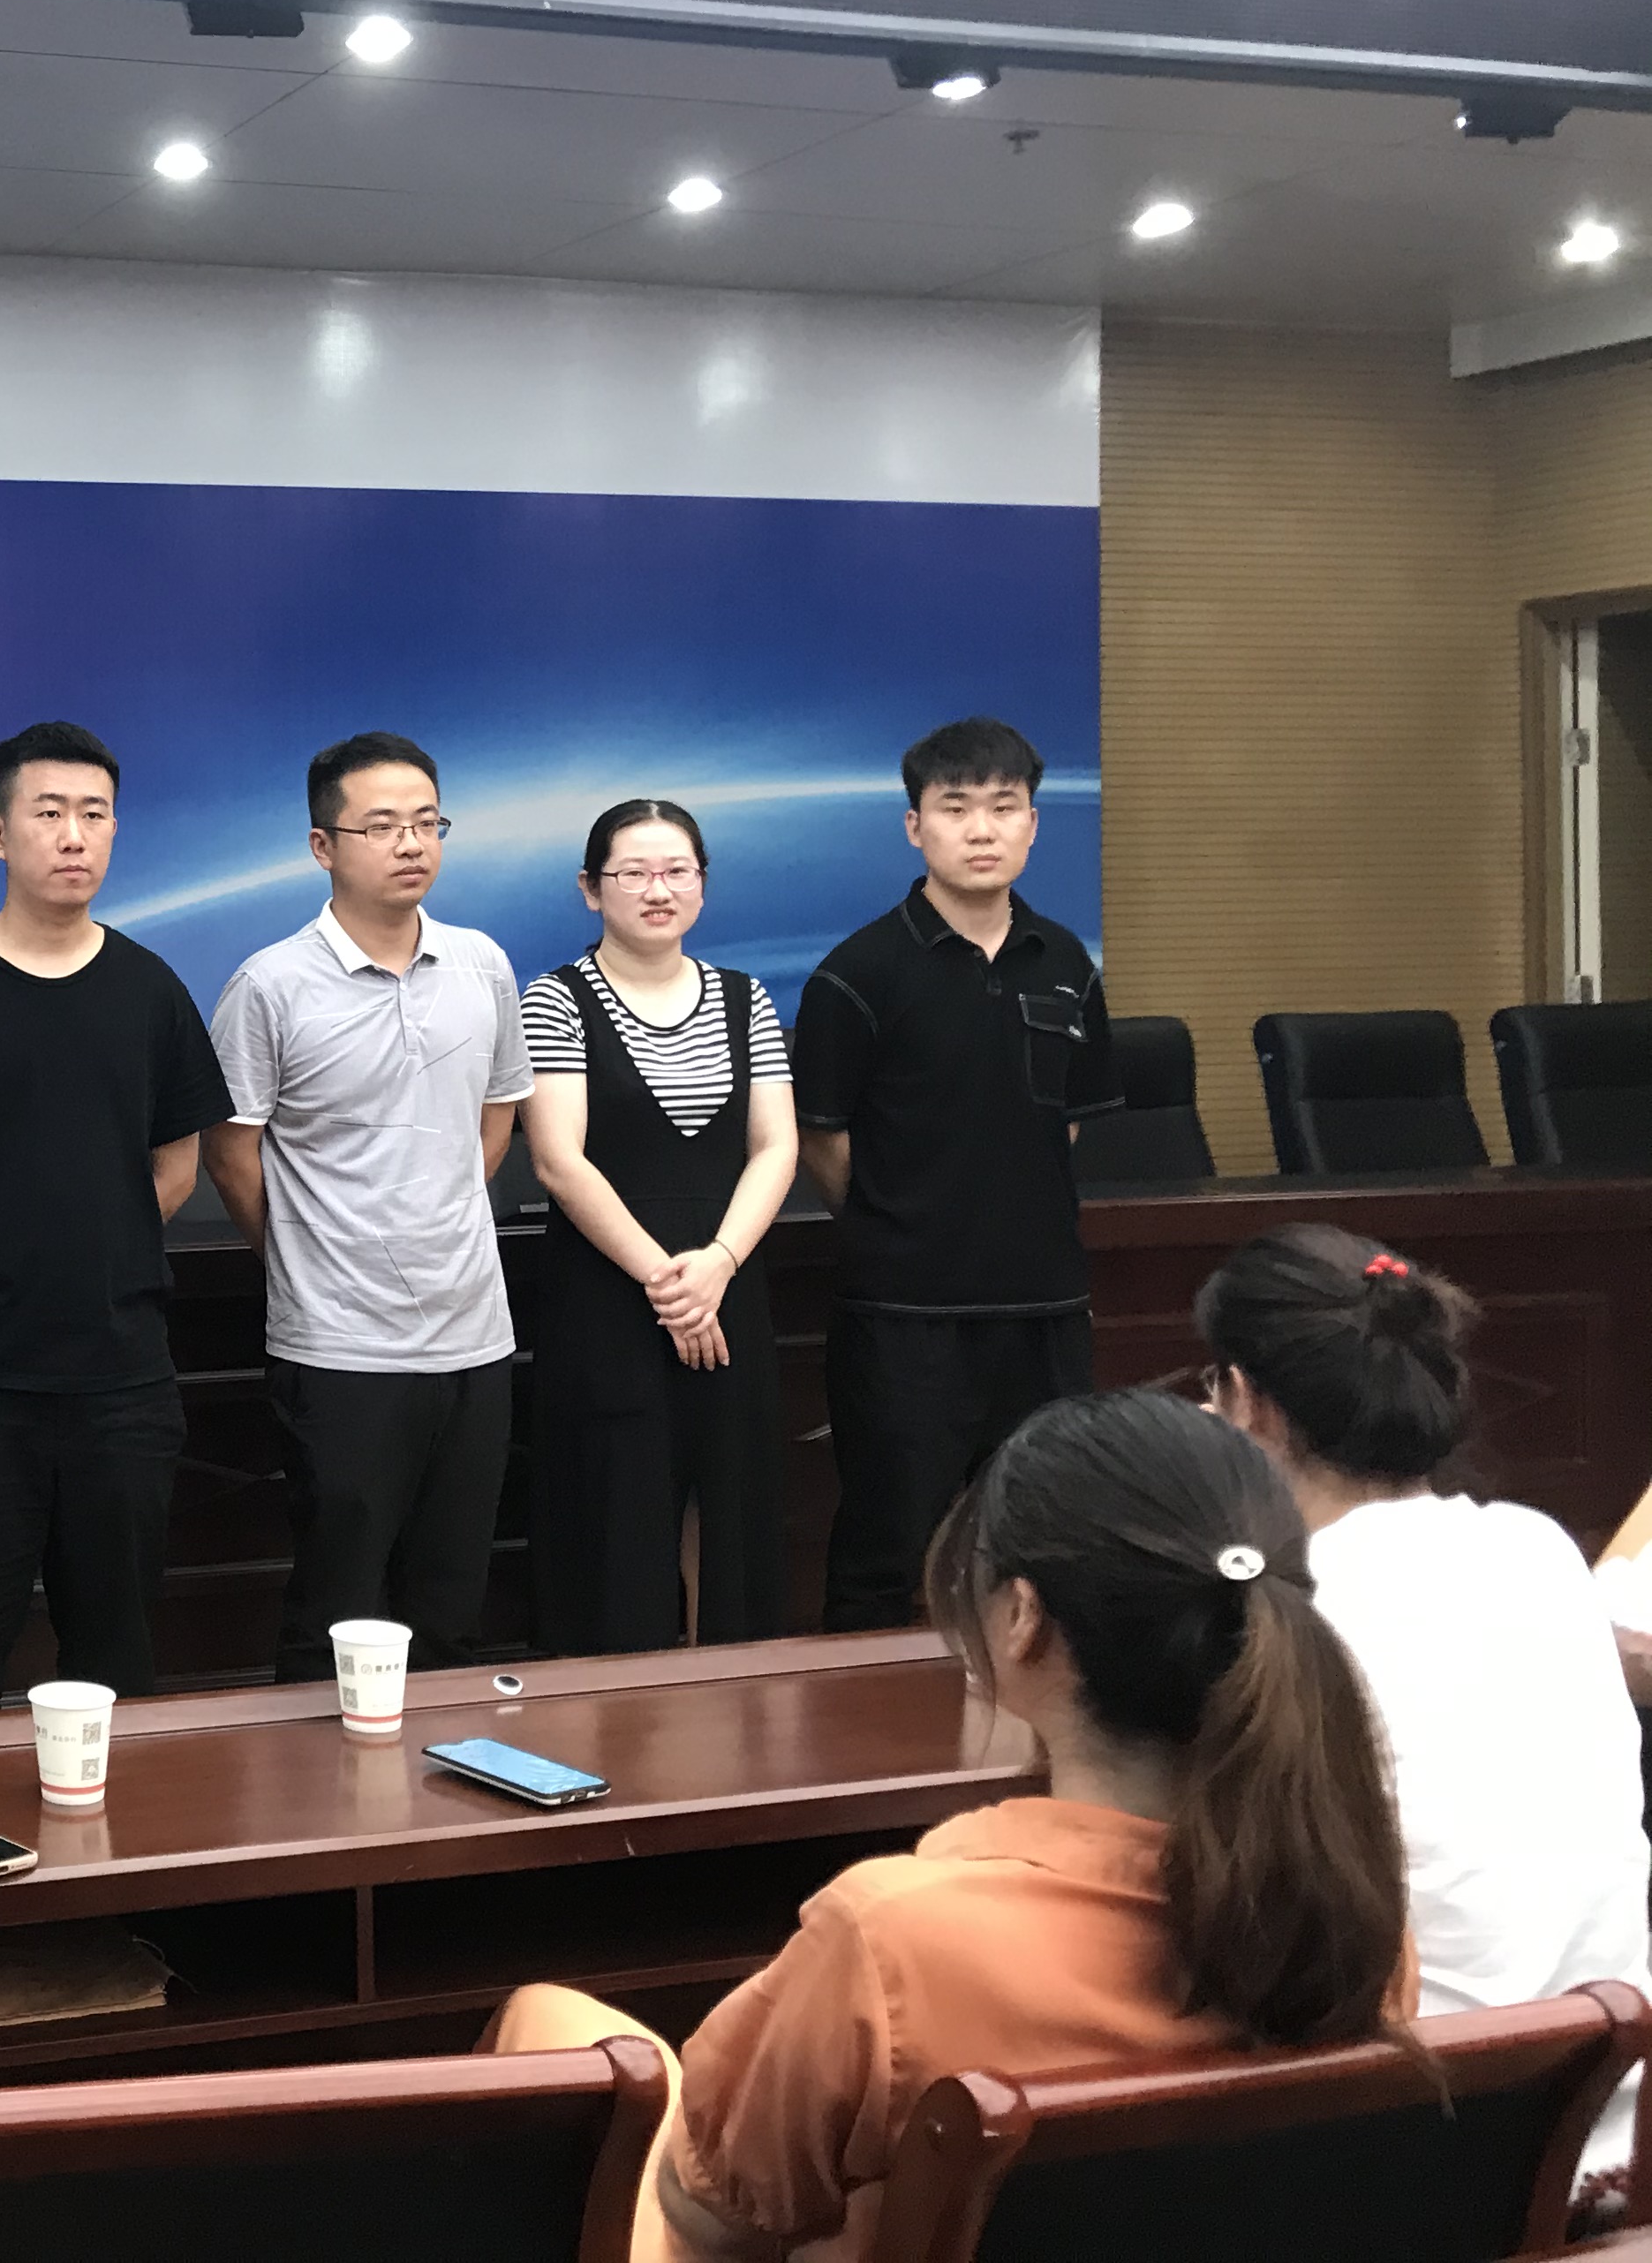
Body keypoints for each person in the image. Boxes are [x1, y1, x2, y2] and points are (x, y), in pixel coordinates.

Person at [492, 1385, 1415, 2262]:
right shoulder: (1361, 1925)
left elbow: (707, 2219)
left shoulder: (895, 1942)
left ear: (1022, 1619)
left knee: (551, 2036)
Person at [1201, 1222, 1648, 2202]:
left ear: (1245, 1402)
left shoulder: (1280, 1613)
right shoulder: (1537, 1549)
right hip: (1616, 2118)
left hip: (1418, 2150)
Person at [0, 721, 233, 1717]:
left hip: (123, 1383)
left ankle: (109, 1826)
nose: (74, 836)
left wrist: (95, 1248)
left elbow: (178, 1164)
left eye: (95, 815)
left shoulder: (150, 990)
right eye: (50, 812)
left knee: (117, 1659)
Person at [205, 732, 531, 1685]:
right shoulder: (269, 985)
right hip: (340, 1347)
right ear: (323, 846)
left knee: (451, 1605)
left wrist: (436, 1212)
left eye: (428, 822)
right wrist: (309, 1255)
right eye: (382, 825)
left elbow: (497, 1116)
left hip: (474, 1336)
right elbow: (231, 1153)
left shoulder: (482, 964)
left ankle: (452, 1778)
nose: (411, 843)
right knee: (336, 1615)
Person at [791, 717, 1119, 1631]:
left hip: (1043, 1311)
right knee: (887, 1554)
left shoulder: (1067, 962)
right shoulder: (857, 975)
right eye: (956, 807)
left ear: (1033, 825)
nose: (982, 830)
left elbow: (1065, 1128)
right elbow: (824, 1142)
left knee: (1046, 1555)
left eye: (1004, 808)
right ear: (915, 826)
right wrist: (903, 1224)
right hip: (905, 1318)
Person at [518, 799, 799, 1654]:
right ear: (590, 888)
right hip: (607, 1299)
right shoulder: (555, 1000)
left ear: (702, 886)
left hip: (727, 1290)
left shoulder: (747, 999)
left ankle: (730, 1708)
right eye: (633, 873)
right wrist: (668, 1284)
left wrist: (717, 1264)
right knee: (617, 1518)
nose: (658, 890)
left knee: (732, 1512)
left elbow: (777, 1146)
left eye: (678, 871)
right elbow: (559, 1161)